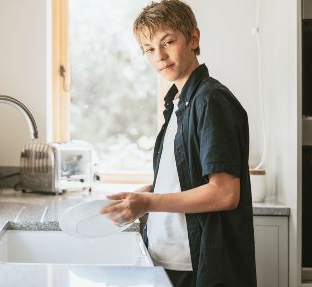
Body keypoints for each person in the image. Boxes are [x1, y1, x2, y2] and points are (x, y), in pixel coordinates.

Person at [100, 1, 257, 286]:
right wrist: (145, 194)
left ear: (193, 38)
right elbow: (184, 180)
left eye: (168, 41)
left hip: (195, 265)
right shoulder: (179, 103)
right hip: (171, 258)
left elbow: (224, 194)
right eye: (148, 49)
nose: (159, 55)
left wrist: (147, 202)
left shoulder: (211, 100)